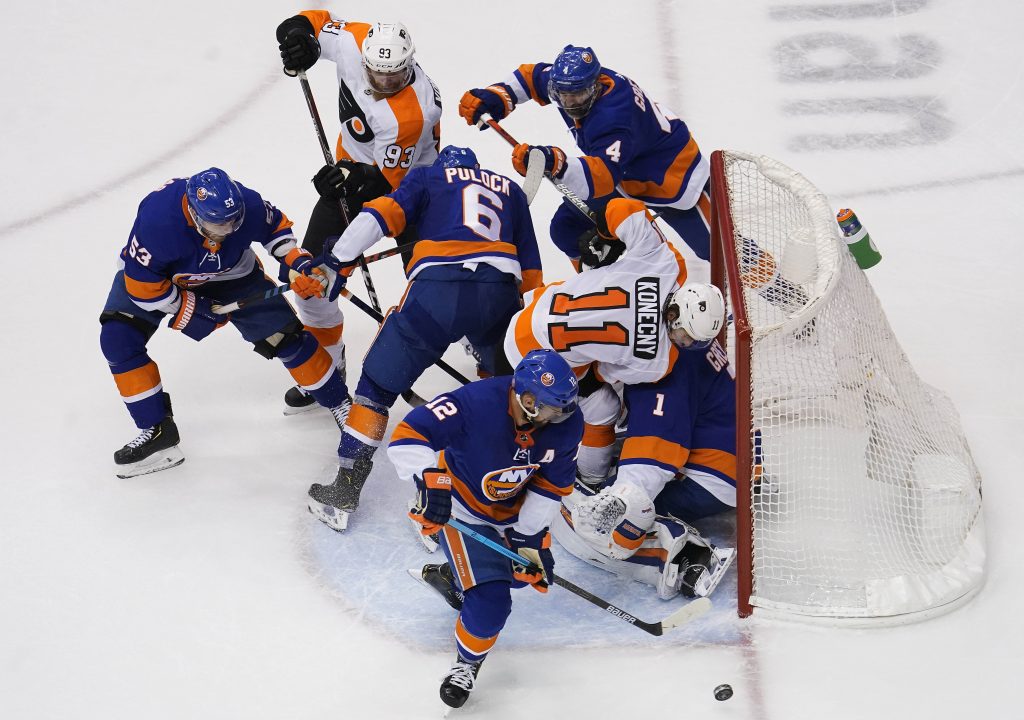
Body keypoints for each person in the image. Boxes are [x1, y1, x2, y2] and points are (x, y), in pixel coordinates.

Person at [303, 145, 544, 532]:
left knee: (377, 386)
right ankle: (501, 487)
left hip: (438, 289)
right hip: (499, 292)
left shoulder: (428, 176)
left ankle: (345, 489)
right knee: (505, 388)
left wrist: (337, 260)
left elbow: (378, 214)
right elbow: (531, 271)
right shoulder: (510, 190)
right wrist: (525, 340)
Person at [99, 168, 351, 478]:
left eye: (234, 222)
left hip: (232, 275)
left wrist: (299, 264)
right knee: (118, 338)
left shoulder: (246, 203)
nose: (229, 230)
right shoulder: (158, 221)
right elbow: (142, 289)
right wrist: (191, 310)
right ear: (194, 214)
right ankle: (156, 432)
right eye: (219, 225)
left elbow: (276, 231)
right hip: (165, 281)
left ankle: (341, 404)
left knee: (285, 337)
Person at [390, 349, 583, 708]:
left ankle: (455, 578)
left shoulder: (566, 424)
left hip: (513, 512)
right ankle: (467, 663)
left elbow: (550, 486)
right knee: (492, 601)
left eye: (562, 410)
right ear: (526, 399)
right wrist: (431, 480)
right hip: (463, 509)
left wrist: (528, 538)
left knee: (520, 576)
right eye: (550, 409)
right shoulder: (476, 403)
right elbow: (408, 434)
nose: (557, 418)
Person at [275, 10, 443, 412]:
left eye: (395, 77)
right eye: (378, 75)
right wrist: (298, 37)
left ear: (410, 64)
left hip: (415, 192)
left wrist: (343, 178)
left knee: (439, 286)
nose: (385, 84)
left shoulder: (413, 114)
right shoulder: (355, 41)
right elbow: (314, 19)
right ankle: (328, 368)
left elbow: (384, 186)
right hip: (354, 174)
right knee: (312, 278)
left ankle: (480, 343)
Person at [459, 45, 711, 267]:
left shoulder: (614, 116)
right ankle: (599, 292)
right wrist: (497, 96)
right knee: (567, 229)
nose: (570, 102)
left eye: (577, 95)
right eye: (563, 95)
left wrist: (555, 162)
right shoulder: (569, 83)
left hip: (670, 175)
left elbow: (602, 177)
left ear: (595, 86)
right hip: (622, 176)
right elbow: (531, 77)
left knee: (717, 247)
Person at [552, 330, 737, 601]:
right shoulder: (675, 336)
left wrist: (613, 502)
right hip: (739, 453)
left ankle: (687, 557)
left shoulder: (661, 376)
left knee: (591, 514)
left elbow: (649, 466)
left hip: (711, 479)